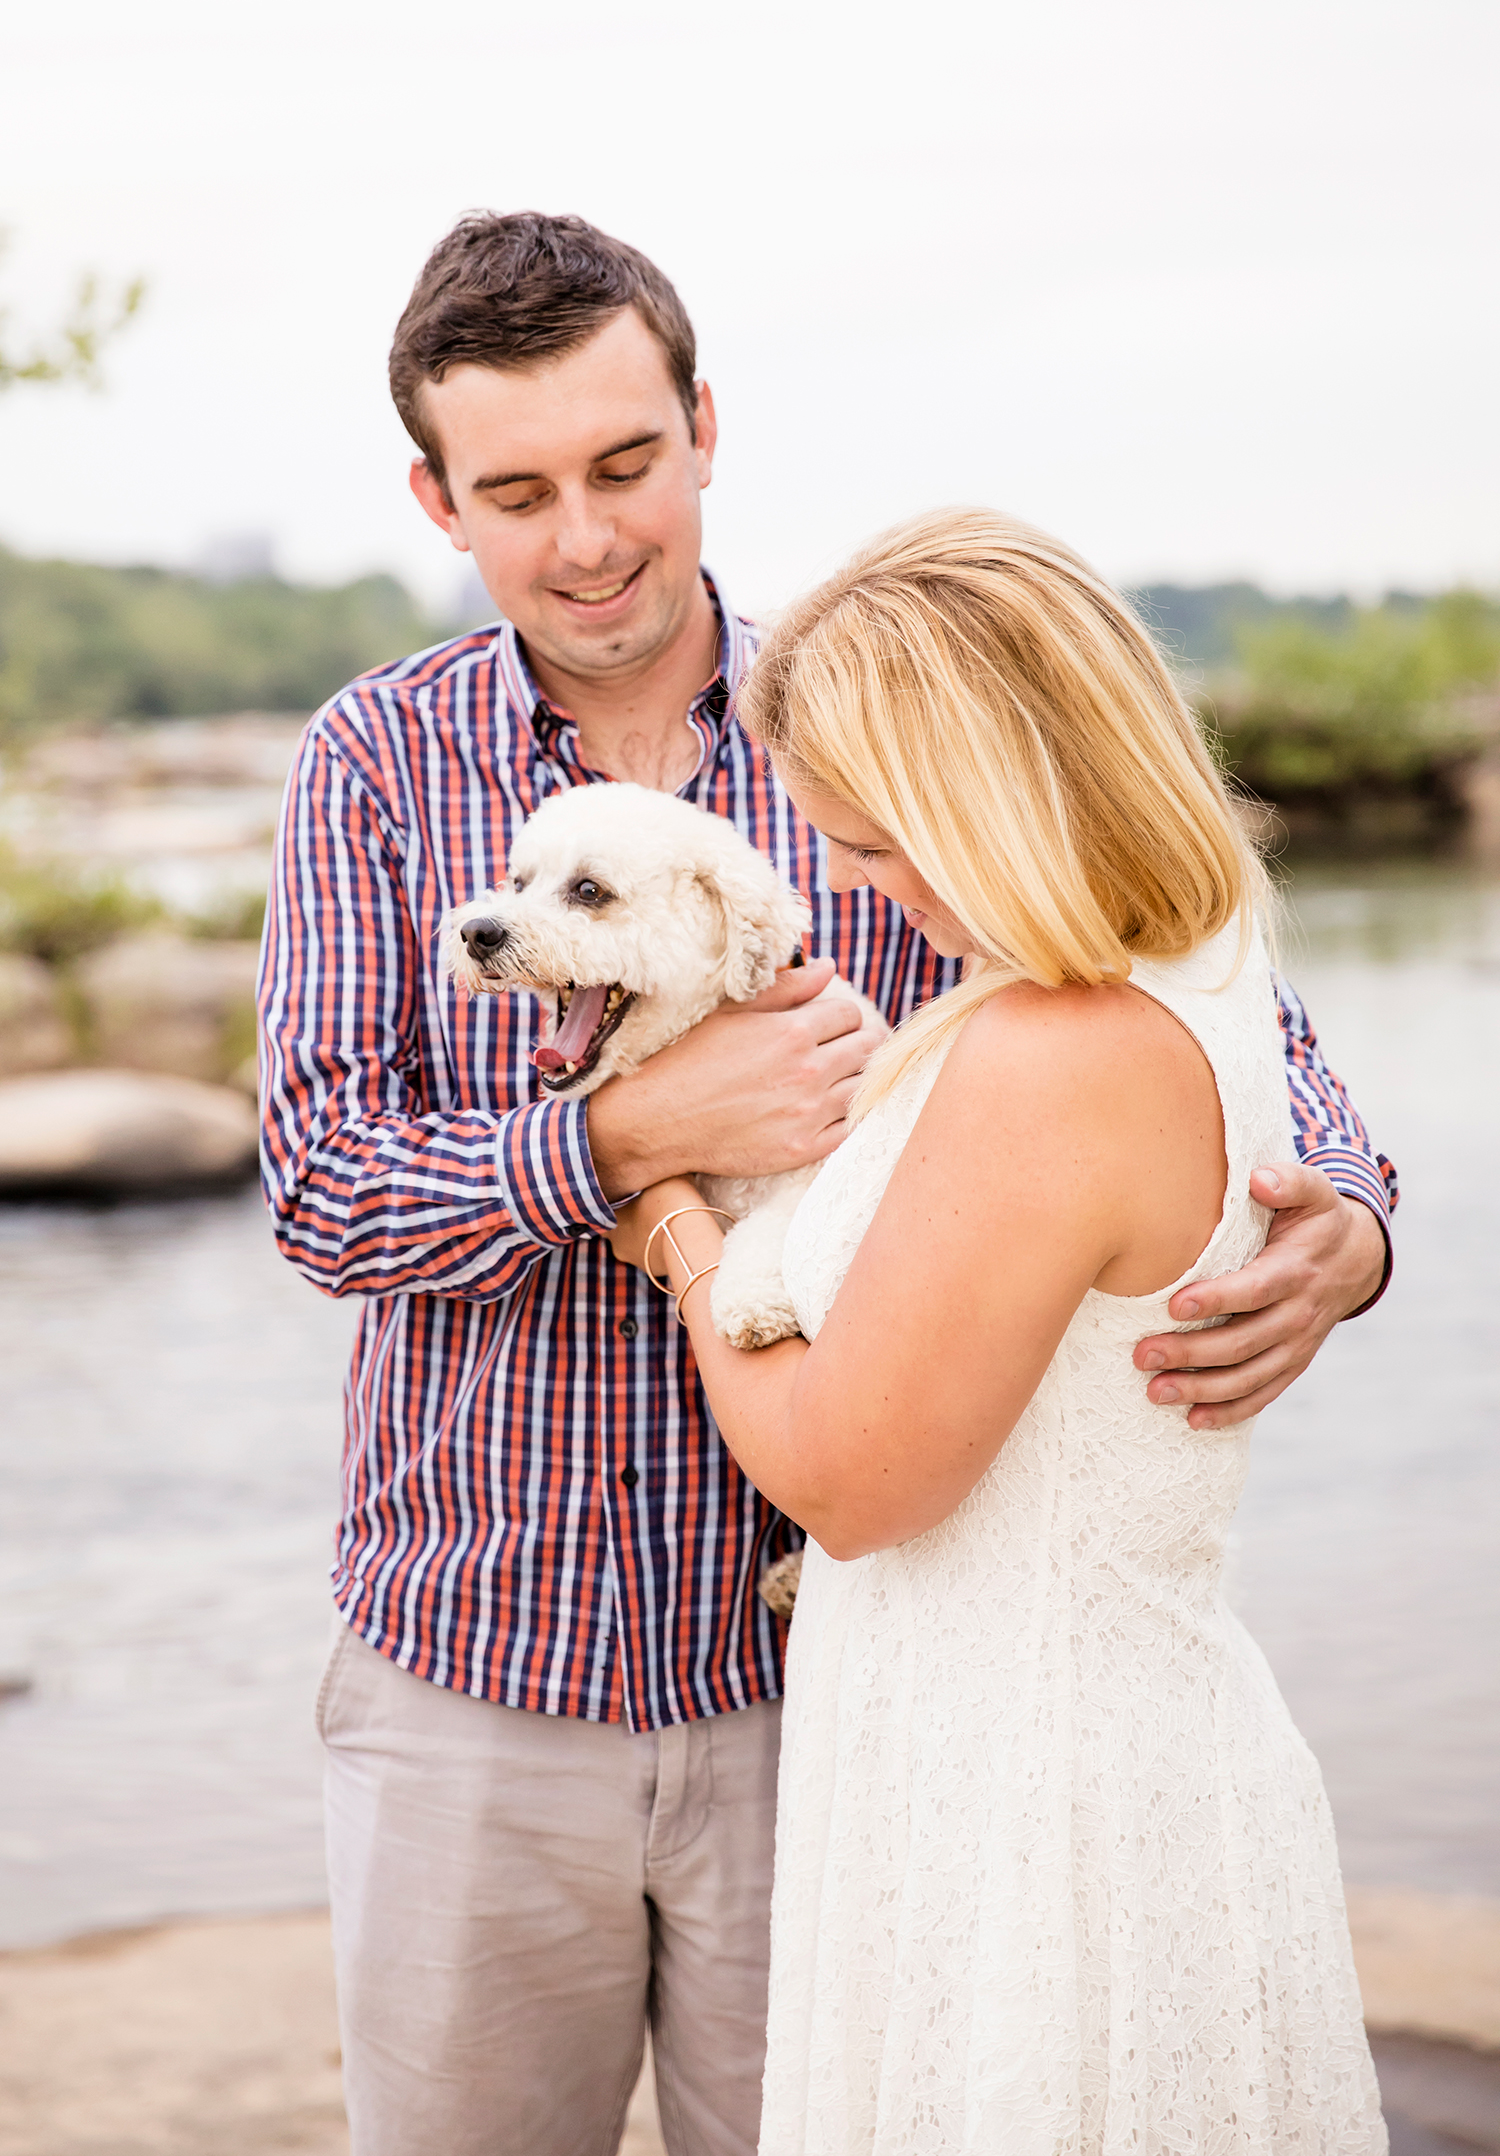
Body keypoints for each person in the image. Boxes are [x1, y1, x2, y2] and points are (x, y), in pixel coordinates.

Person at [257, 213, 1396, 2156]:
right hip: (476, 1672)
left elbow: (1228, 1021)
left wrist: (1349, 1230)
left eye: (626, 463)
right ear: (438, 499)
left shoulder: (876, 714)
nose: (587, 537)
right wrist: (628, 1141)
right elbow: (319, 1190)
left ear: (704, 427)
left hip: (834, 1684)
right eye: (517, 494)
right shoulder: (373, 759)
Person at [608, 507, 1387, 2154]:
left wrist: (673, 1220)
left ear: (1001, 802)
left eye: (878, 845)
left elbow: (847, 1477)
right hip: (1016, 1740)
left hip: (1042, 1795)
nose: (847, 881)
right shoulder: (1174, 976)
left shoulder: (1056, 1054)